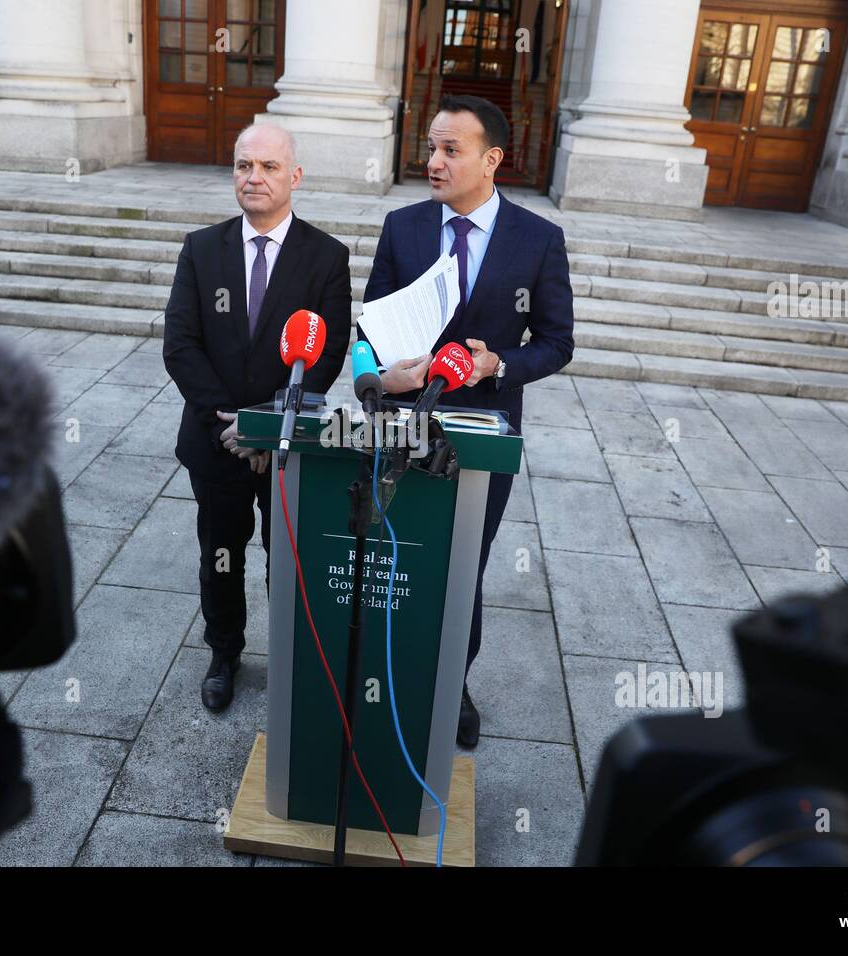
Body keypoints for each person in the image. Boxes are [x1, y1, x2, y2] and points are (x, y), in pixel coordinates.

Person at [364, 94, 574, 747]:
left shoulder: (538, 240)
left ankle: (452, 680)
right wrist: (378, 376)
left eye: (450, 150)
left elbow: (557, 342)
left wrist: (496, 365)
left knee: (463, 565)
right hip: (400, 427)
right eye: (431, 147)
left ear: (492, 159)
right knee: (393, 557)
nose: (434, 161)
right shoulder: (402, 228)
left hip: (482, 433)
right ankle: (378, 673)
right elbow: (369, 328)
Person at [163, 123, 351, 712]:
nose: (254, 177)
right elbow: (181, 344)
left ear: (294, 176)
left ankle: (292, 656)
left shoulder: (326, 257)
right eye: (244, 165)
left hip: (287, 444)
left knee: (287, 556)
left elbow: (328, 351)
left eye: (269, 167)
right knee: (220, 551)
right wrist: (230, 419)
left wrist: (270, 427)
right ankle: (224, 653)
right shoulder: (201, 249)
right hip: (215, 439)